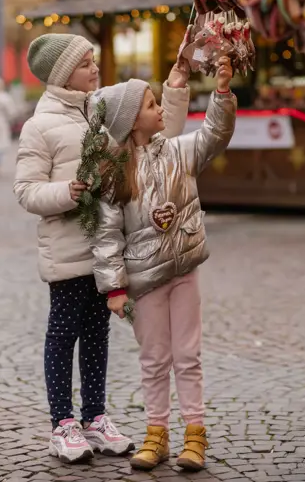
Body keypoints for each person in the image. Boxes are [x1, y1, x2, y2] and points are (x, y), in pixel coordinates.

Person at [13, 33, 191, 464]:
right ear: (62, 74)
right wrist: (68, 192)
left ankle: (95, 417)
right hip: (69, 252)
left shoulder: (102, 108)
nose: (95, 69)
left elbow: (153, 124)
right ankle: (63, 424)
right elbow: (26, 190)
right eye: (85, 63)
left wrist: (177, 87)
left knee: (97, 335)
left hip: (107, 254)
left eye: (94, 60)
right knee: (63, 335)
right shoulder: (40, 126)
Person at [92, 56, 236, 472]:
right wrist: (115, 288)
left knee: (187, 356)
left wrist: (222, 91)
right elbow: (106, 234)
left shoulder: (179, 151)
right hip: (144, 281)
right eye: (152, 105)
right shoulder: (115, 174)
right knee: (154, 358)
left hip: (184, 271)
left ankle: (195, 433)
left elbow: (215, 133)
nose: (161, 110)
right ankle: (156, 434)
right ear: (132, 121)